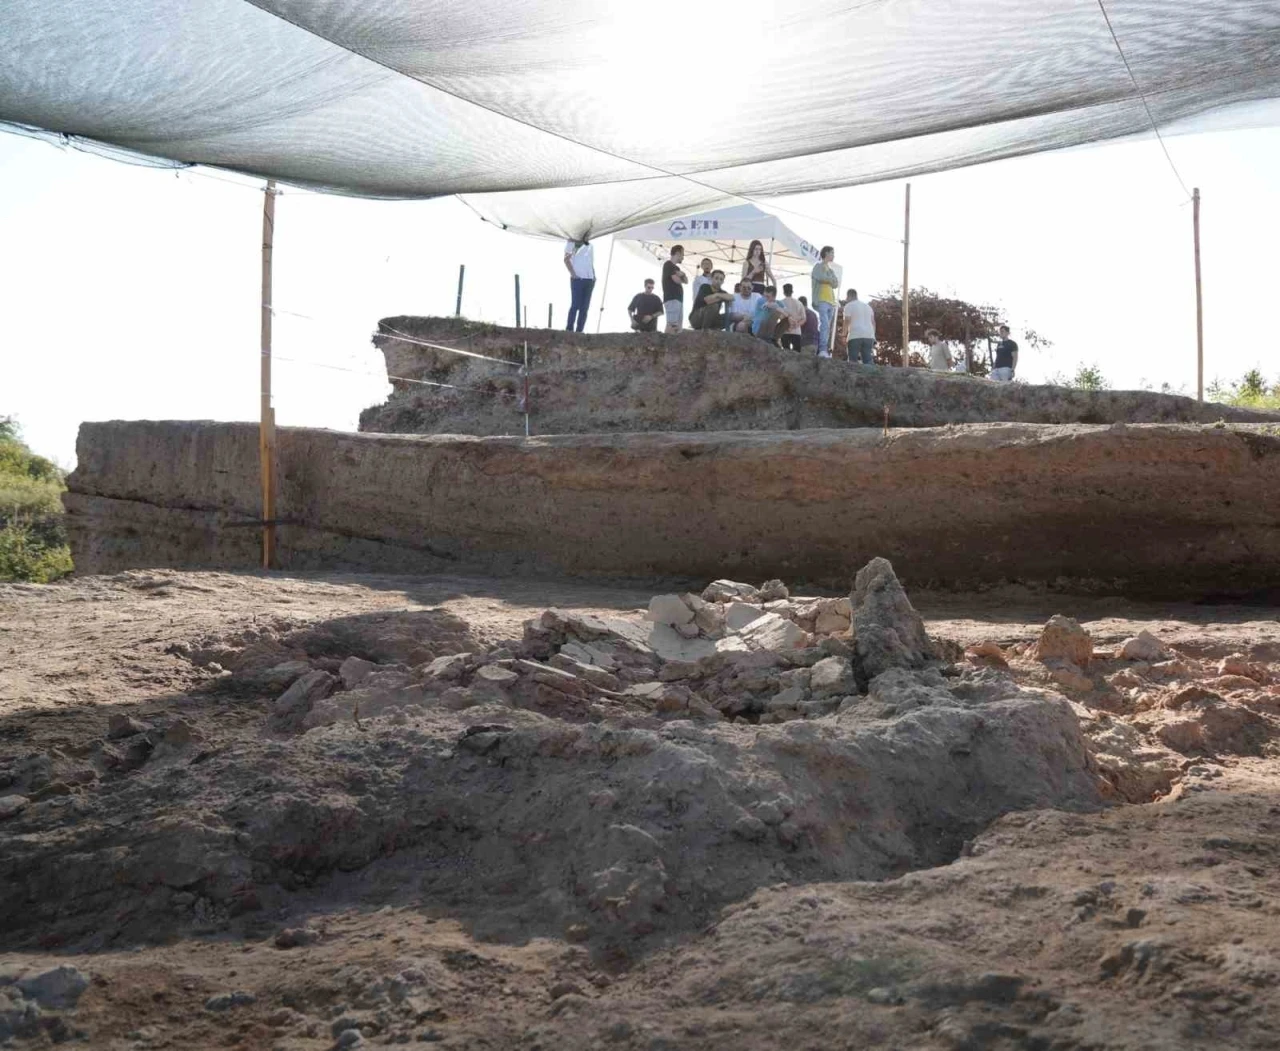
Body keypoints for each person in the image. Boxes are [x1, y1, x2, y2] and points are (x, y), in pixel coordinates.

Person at [810, 246, 839, 357]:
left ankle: (823, 350)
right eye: (832, 253)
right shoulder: (818, 266)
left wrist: (829, 280)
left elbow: (836, 284)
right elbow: (821, 277)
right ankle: (822, 349)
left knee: (827, 327)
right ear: (826, 253)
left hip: (831, 301)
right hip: (821, 299)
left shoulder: (830, 270)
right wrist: (830, 280)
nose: (834, 255)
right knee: (825, 325)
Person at [563, 238, 595, 332]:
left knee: (584, 307)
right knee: (575, 305)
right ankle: (569, 329)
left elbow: (590, 262)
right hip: (578, 279)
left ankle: (580, 331)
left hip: (589, 279)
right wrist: (573, 274)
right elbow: (566, 260)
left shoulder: (589, 245)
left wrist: (594, 276)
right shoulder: (571, 243)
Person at [843, 289, 876, 364]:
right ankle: (870, 371)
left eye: (847, 297)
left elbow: (847, 320)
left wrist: (844, 335)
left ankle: (853, 371)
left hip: (855, 335)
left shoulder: (849, 306)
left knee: (852, 360)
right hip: (869, 336)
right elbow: (873, 322)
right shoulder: (868, 307)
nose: (846, 299)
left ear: (849, 296)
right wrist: (873, 336)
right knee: (868, 360)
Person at [661, 245, 688, 334]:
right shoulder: (668, 264)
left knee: (678, 327)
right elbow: (676, 280)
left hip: (678, 299)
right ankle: (665, 341)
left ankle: (670, 341)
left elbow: (686, 281)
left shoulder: (677, 268)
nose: (683, 257)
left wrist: (682, 274)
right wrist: (681, 277)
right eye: (682, 254)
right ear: (677, 253)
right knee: (672, 325)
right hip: (672, 298)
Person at [779, 283, 806, 351]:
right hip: (796, 331)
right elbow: (804, 319)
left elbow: (780, 317)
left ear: (784, 292)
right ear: (792, 292)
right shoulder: (799, 303)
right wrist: (797, 325)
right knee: (797, 354)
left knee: (786, 353)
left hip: (785, 331)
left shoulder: (780, 303)